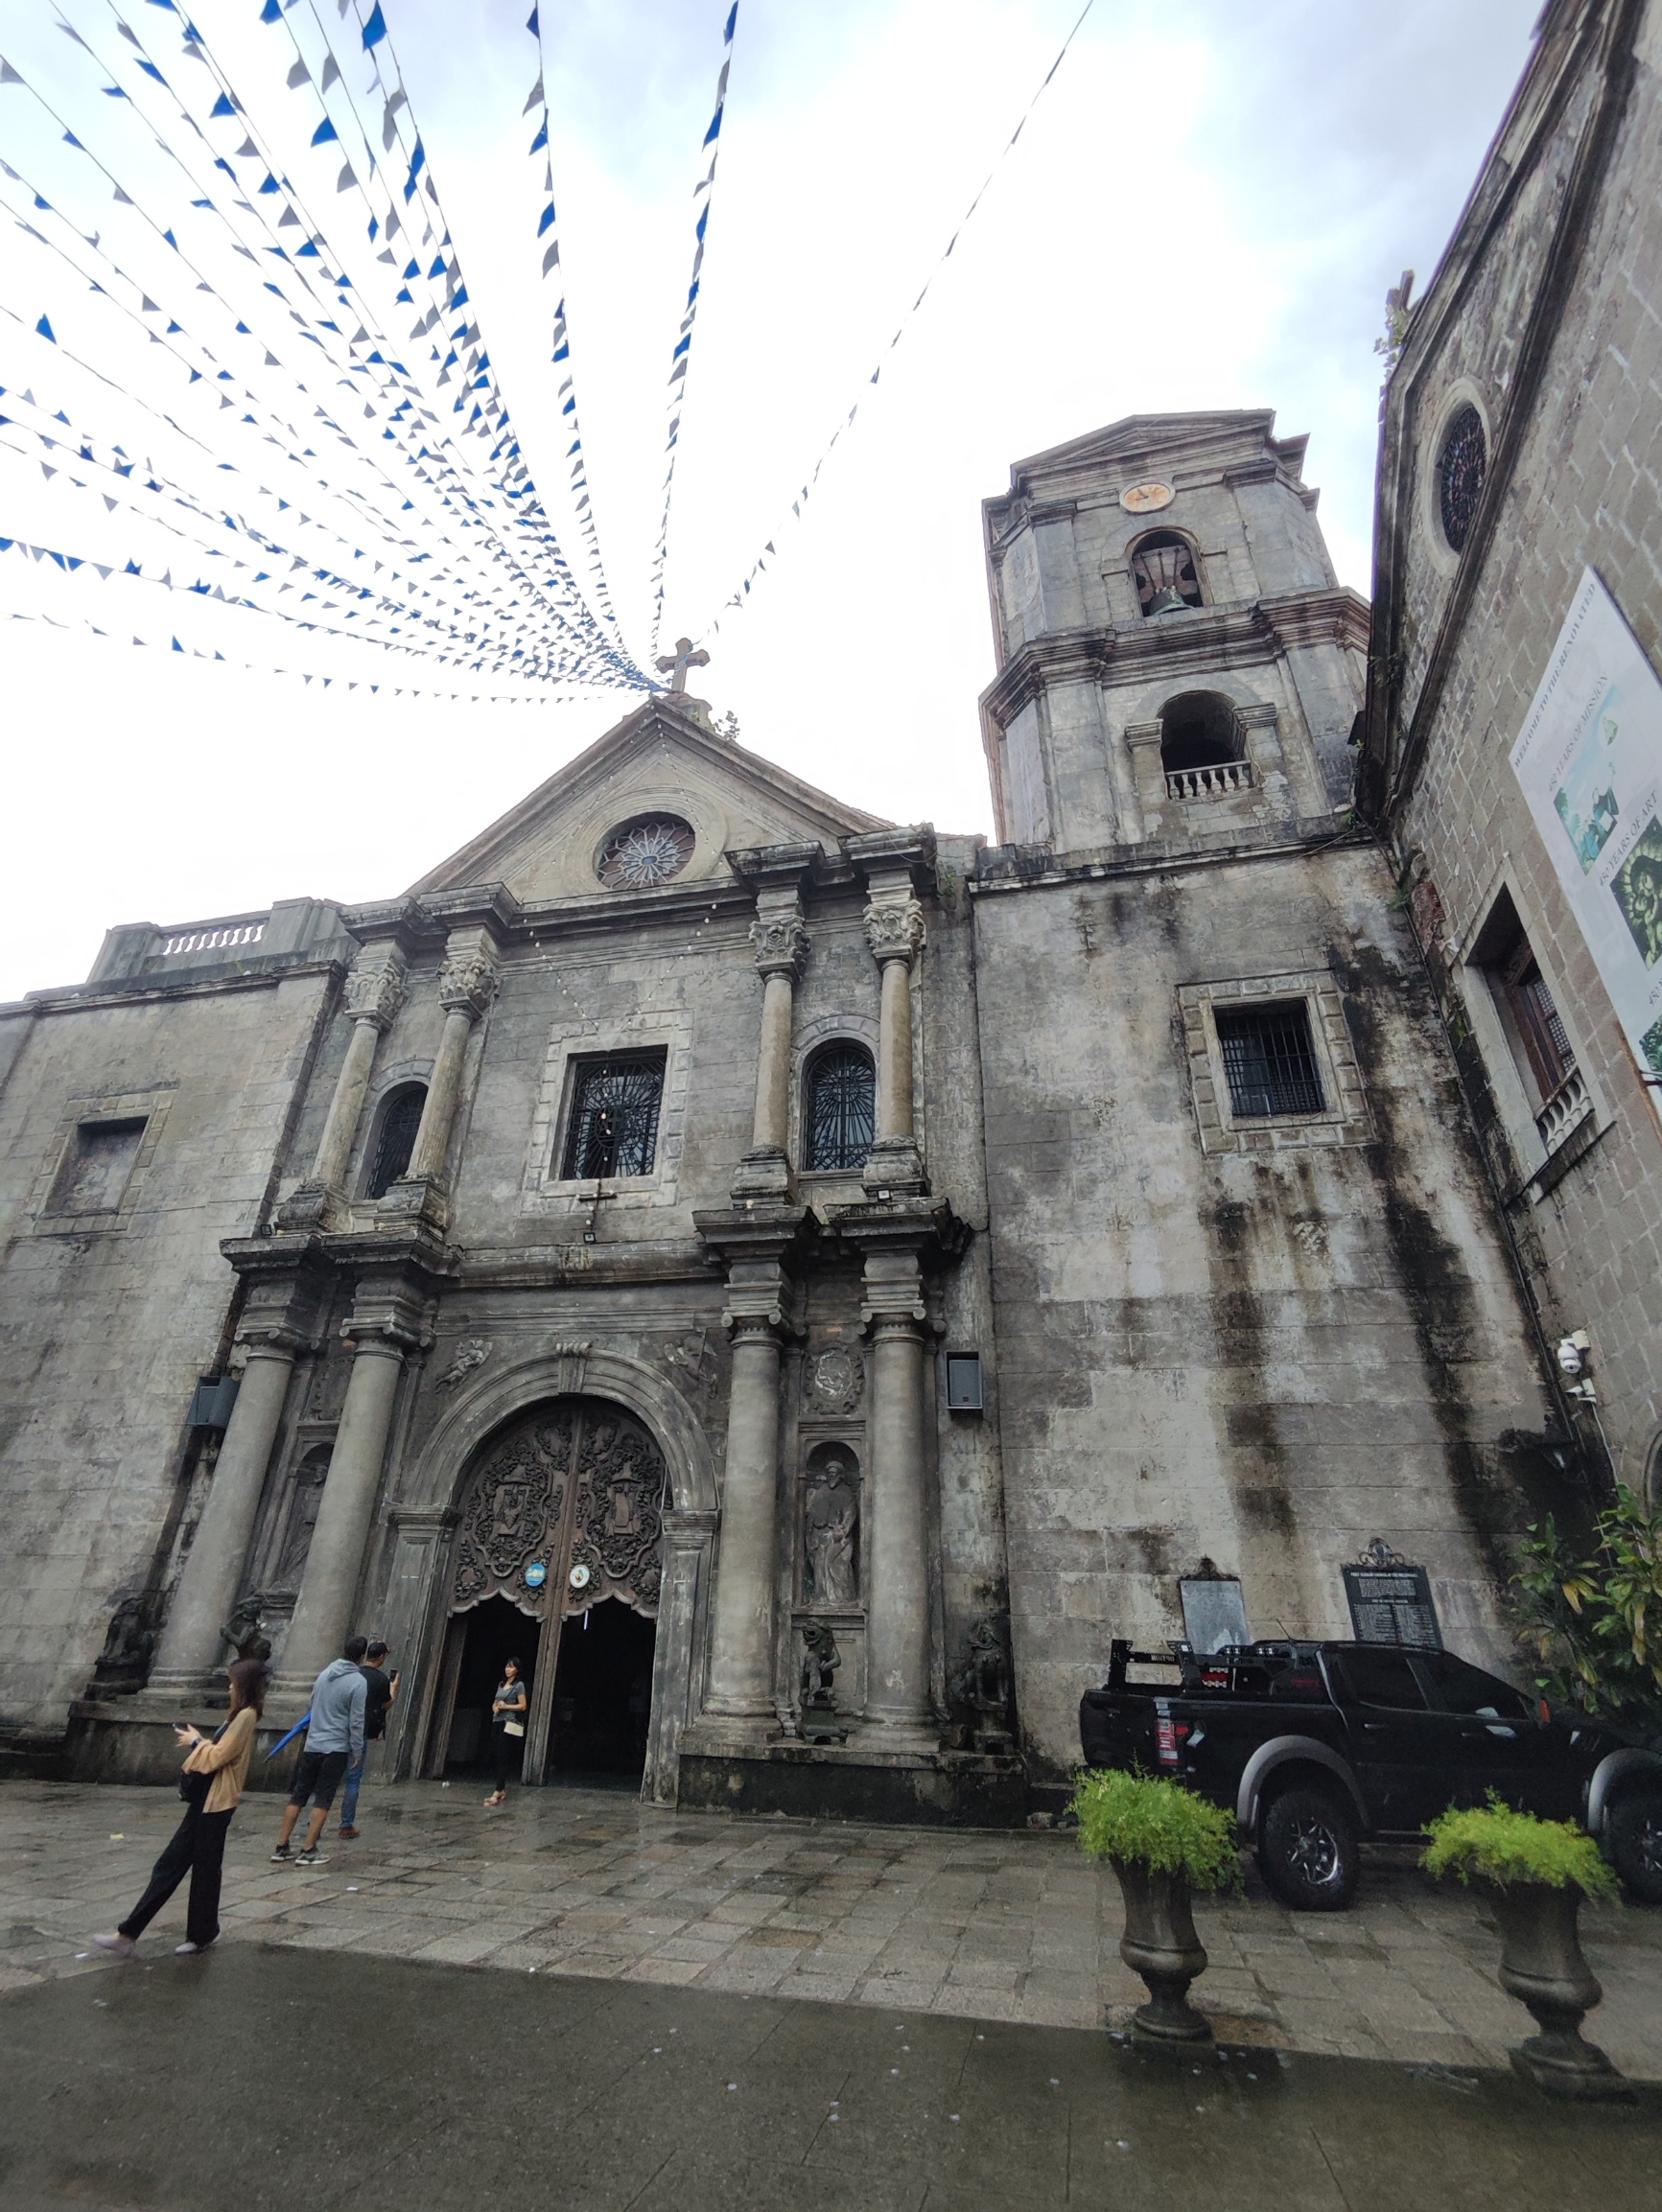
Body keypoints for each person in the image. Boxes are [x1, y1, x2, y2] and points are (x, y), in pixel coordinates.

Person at [91, 1656, 269, 1958]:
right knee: (170, 1866)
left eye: (232, 1681)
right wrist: (199, 1743)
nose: (228, 1686)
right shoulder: (238, 1715)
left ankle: (199, 1934)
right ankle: (129, 1933)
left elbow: (219, 1756)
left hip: (217, 1802)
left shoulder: (247, 1715)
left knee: (203, 1870)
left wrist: (196, 1741)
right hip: (207, 1800)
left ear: (243, 1685)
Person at [270, 1636, 368, 1866]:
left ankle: (282, 1846)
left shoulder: (324, 1675)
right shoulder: (357, 1681)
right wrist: (357, 1750)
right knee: (323, 1799)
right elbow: (356, 1721)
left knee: (299, 1795)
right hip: (335, 1747)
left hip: (313, 1745)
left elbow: (312, 1705)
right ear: (362, 1656)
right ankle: (309, 1848)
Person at [337, 1639, 397, 1840]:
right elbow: (387, 1705)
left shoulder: (353, 1675)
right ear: (381, 1658)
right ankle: (346, 1824)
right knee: (353, 1780)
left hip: (338, 1730)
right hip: (359, 1731)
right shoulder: (380, 1680)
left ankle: (312, 1822)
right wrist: (393, 1689)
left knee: (329, 1777)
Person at [484, 1657, 527, 1808]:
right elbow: (495, 1701)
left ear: (517, 1670)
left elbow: (522, 1706)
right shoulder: (501, 1684)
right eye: (507, 1667)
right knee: (496, 1754)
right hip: (496, 1721)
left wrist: (507, 1706)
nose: (508, 1669)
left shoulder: (519, 1686)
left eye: (511, 1667)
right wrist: (495, 1707)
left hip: (507, 1723)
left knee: (503, 1755)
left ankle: (497, 1791)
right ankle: (501, 1789)